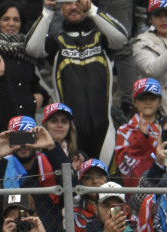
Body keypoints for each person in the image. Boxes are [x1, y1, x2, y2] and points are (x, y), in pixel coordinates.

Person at [25, 0, 128, 161]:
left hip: (104, 129)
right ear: (62, 9)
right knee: (72, 183)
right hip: (69, 132)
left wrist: (92, 10)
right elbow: (31, 48)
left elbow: (122, 38)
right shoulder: (56, 42)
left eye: (78, 2)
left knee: (101, 183)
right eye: (67, 3)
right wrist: (47, 11)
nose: (73, 6)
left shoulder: (102, 38)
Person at [0, 2, 46, 118]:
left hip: (25, 119)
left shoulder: (28, 48)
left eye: (16, 20)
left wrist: (40, 96)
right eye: (6, 19)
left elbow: (34, 82)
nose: (11, 24)